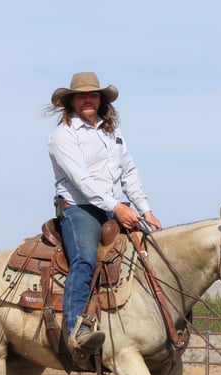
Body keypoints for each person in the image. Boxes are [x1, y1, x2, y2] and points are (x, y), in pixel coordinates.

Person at [47, 72, 162, 352]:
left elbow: (129, 173)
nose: (87, 100)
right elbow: (81, 180)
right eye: (81, 95)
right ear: (71, 101)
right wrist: (117, 207)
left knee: (151, 252)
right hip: (80, 209)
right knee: (85, 260)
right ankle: (76, 330)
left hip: (115, 208)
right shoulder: (62, 136)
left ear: (101, 100)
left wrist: (145, 210)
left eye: (93, 95)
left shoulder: (113, 133)